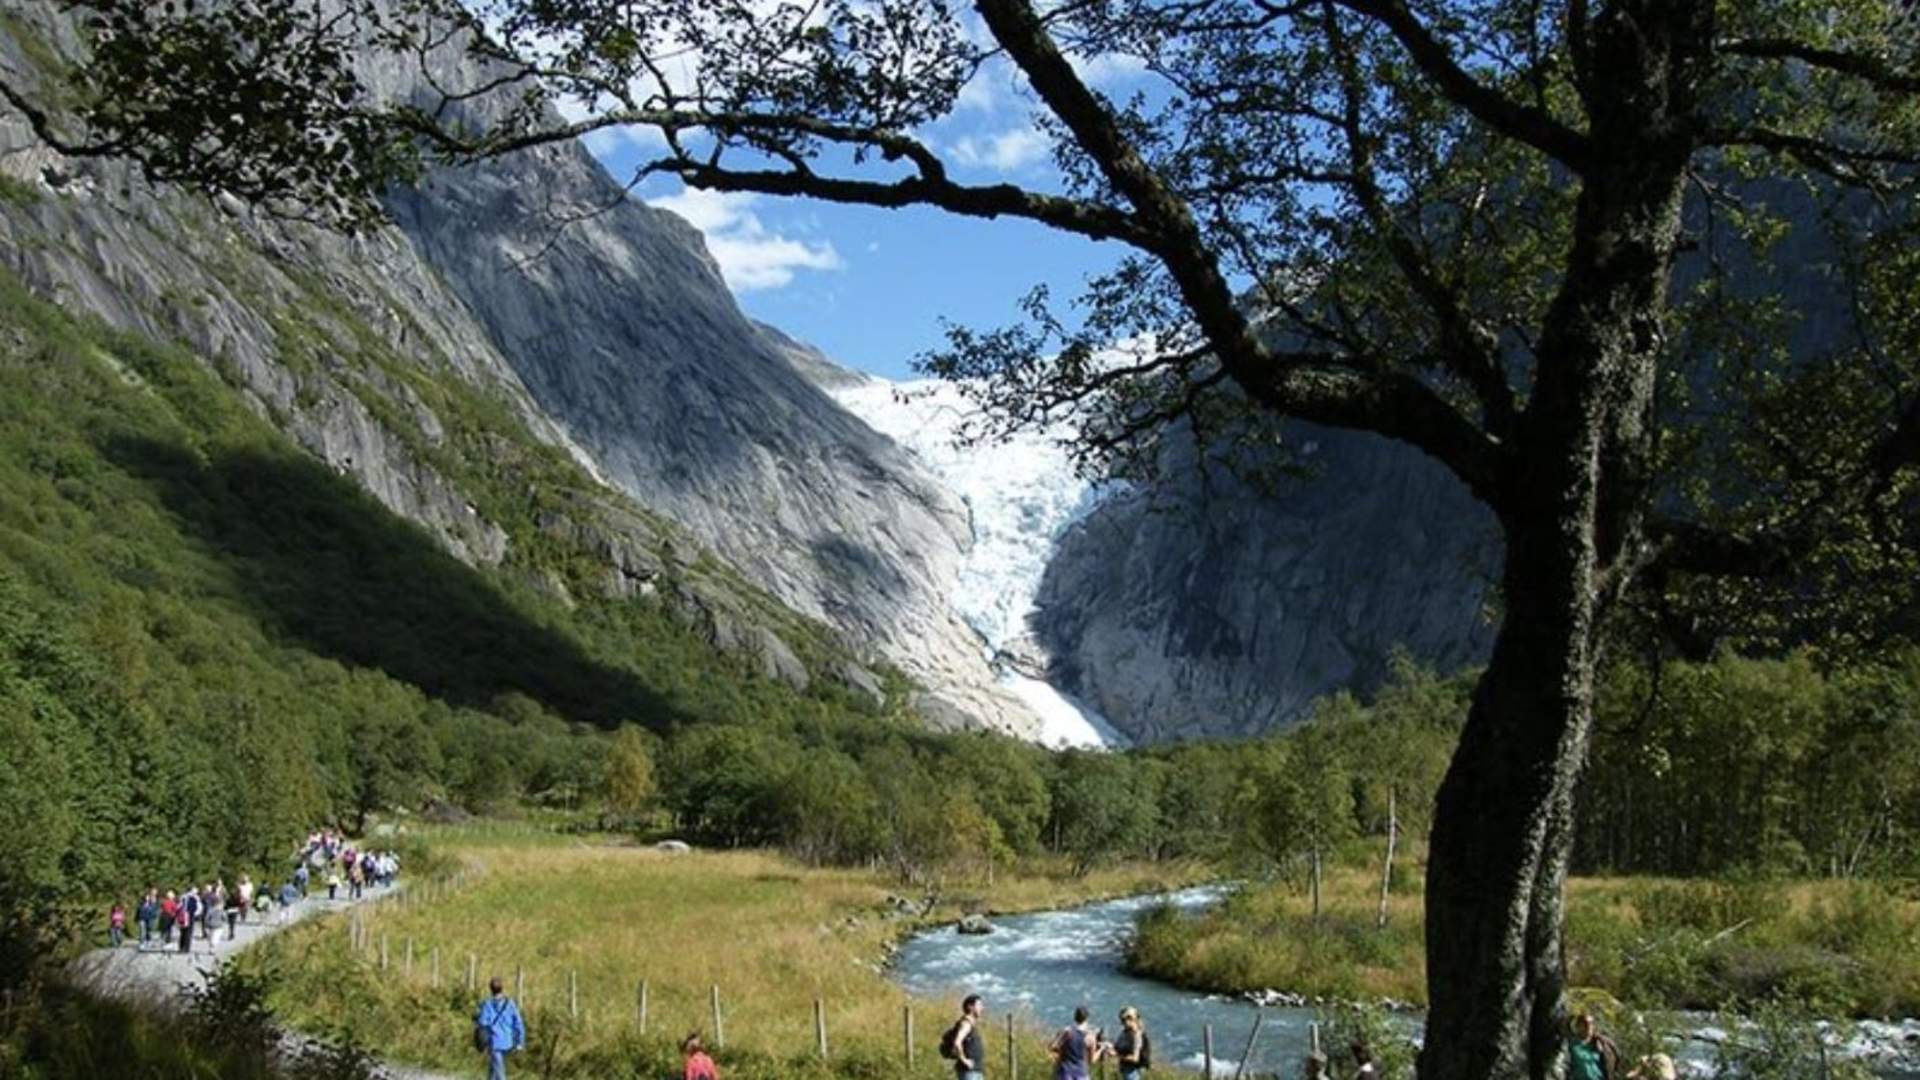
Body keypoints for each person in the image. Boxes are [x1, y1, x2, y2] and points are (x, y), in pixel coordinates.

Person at [474, 976, 526, 1080]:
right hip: (508, 1041)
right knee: (493, 1068)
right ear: (502, 988)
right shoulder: (510, 1003)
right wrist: (520, 1042)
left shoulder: (487, 1004)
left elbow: (482, 1022)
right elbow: (519, 1023)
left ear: (490, 989)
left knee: (499, 1071)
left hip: (494, 1042)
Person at [1049, 1006, 1099, 1080]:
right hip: (1081, 1073)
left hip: (1065, 1072)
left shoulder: (1066, 1032)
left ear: (1074, 1017)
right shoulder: (1090, 1037)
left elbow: (1053, 1046)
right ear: (1086, 1018)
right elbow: (1092, 1060)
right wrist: (1102, 1049)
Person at [1567, 1012, 1620, 1080]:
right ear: (1578, 1026)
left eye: (1591, 1024)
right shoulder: (1571, 1043)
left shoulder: (1601, 1043)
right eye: (1585, 1023)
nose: (1588, 1026)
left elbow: (1616, 1057)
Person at [1111, 1007, 1149, 1080]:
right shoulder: (1126, 1032)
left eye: (1123, 1020)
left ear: (1132, 1020)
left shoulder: (1136, 1035)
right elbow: (1118, 1046)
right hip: (1126, 1071)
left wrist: (1117, 1055)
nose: (1122, 1023)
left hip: (1132, 1072)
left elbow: (1135, 1058)